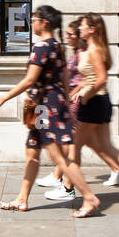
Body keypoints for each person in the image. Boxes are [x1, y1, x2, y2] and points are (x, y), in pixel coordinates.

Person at [0, 5, 101, 218]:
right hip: (42, 107)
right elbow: (65, 78)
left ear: (45, 22)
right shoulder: (58, 46)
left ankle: (89, 196)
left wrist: (1, 99)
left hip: (46, 107)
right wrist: (66, 104)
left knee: (59, 157)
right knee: (32, 153)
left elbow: (31, 79)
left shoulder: (41, 47)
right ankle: (22, 199)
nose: (32, 22)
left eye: (35, 18)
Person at [72, 12, 119, 203]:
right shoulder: (92, 48)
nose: (79, 28)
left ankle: (70, 188)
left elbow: (101, 79)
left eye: (82, 25)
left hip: (93, 103)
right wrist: (78, 91)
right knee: (107, 147)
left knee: (73, 147)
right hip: (98, 102)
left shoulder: (95, 50)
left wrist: (85, 97)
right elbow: (90, 78)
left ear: (92, 29)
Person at [41, 16, 83, 200]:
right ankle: (60, 178)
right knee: (70, 143)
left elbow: (90, 77)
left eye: (71, 34)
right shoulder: (75, 52)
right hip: (70, 100)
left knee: (69, 144)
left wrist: (76, 93)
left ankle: (68, 187)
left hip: (75, 102)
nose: (67, 36)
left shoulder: (83, 54)